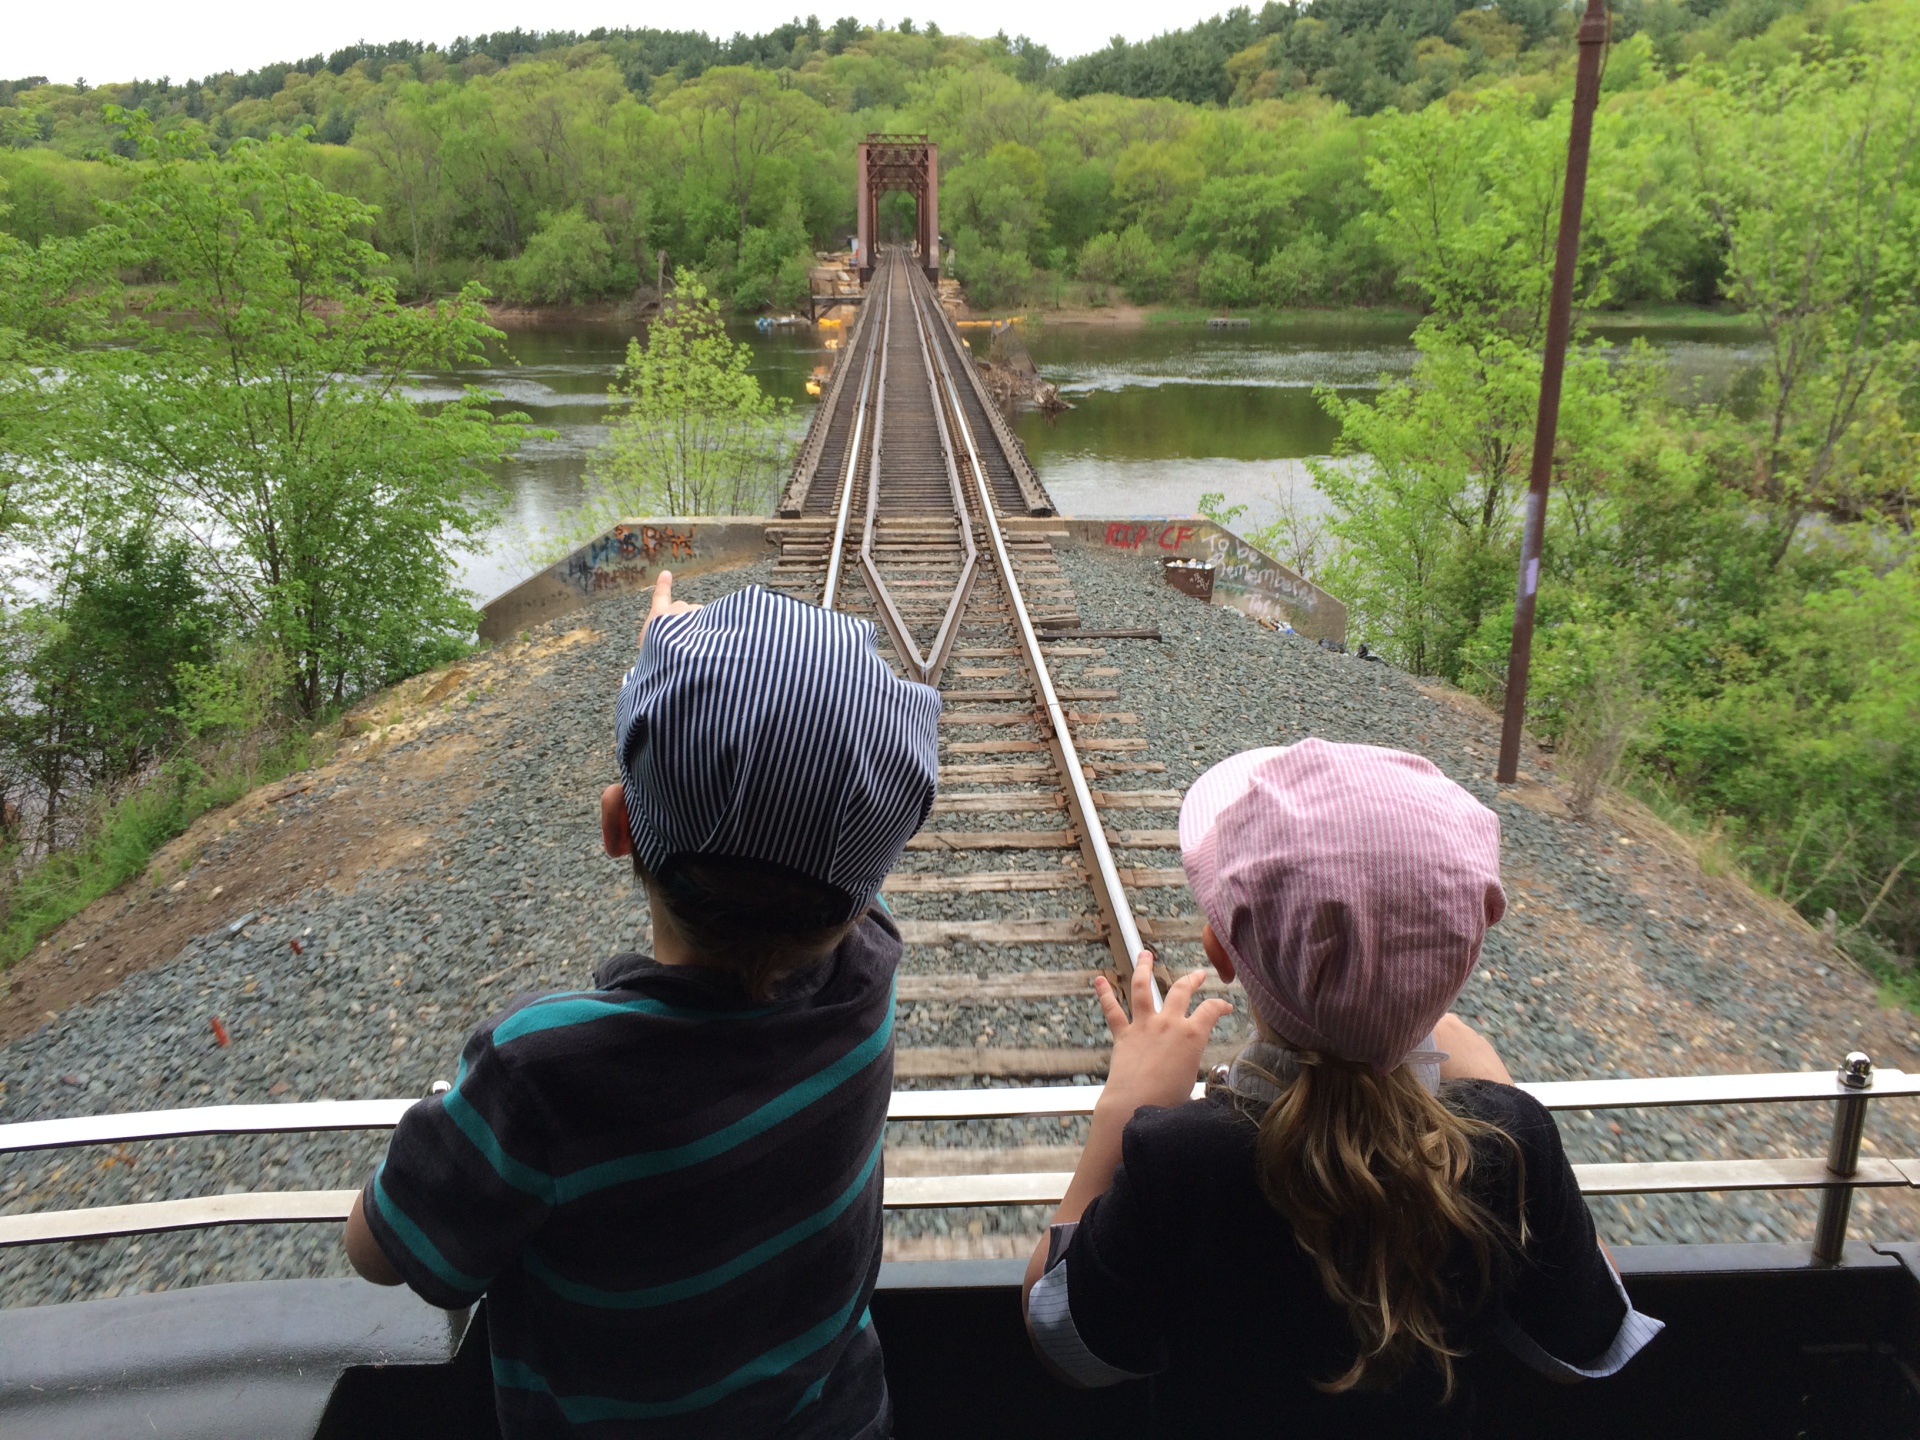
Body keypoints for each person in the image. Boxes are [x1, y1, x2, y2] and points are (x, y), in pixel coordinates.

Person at [343, 572, 941, 1439]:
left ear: (616, 825)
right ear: (861, 893)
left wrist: (669, 679)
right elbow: (816, 833)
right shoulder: (867, 971)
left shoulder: (541, 1073)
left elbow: (379, 1250)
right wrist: (691, 685)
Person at [1023, 739, 1663, 1436]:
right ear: (1458, 964)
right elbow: (1592, 1339)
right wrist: (1499, 1088)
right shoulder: (1509, 1143)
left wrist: (1122, 1110)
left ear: (1220, 951)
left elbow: (1065, 1342)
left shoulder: (1177, 1157)